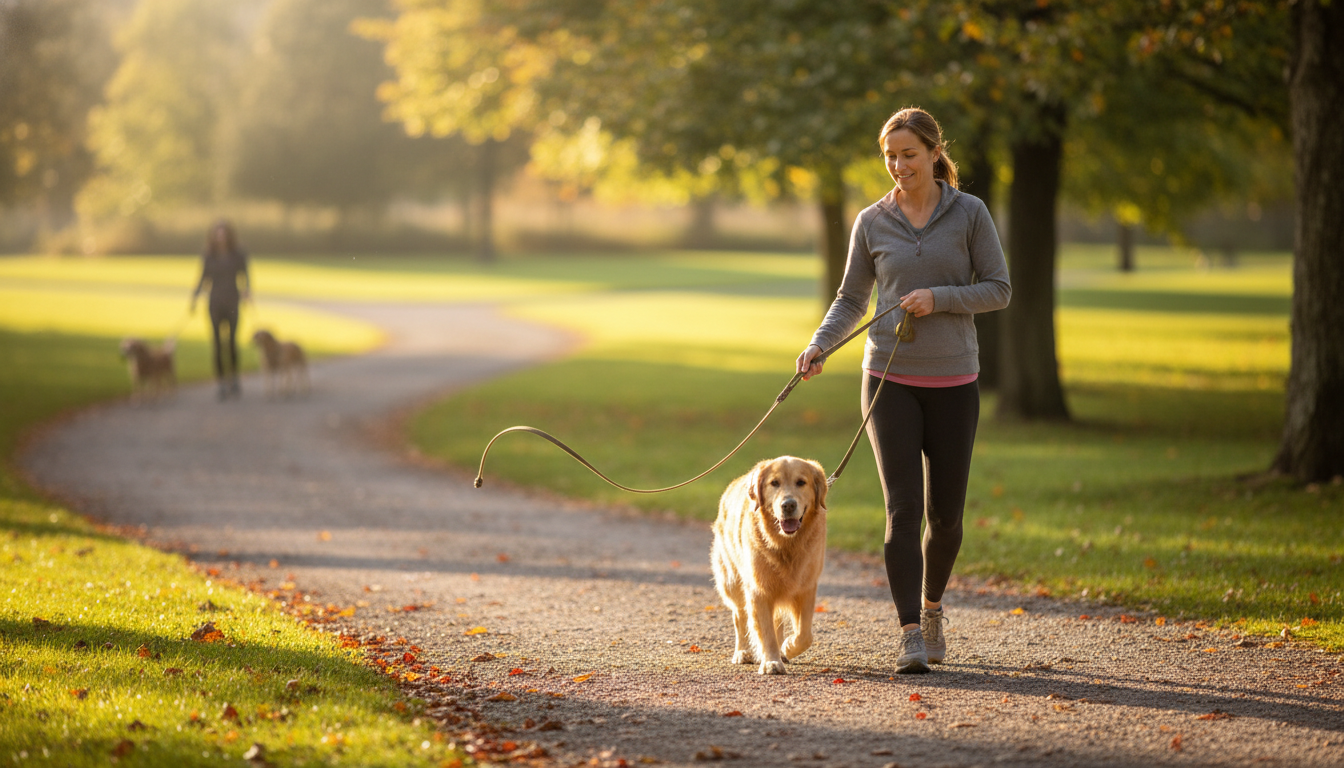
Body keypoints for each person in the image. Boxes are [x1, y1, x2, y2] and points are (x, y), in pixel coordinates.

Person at [795, 107, 1010, 674]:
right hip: (888, 380)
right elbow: (850, 299)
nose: (898, 165)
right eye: (889, 156)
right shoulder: (872, 220)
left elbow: (999, 289)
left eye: (908, 154)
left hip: (954, 381)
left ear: (935, 154)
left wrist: (939, 297)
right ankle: (910, 633)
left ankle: (933, 606)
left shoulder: (970, 214)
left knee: (946, 519)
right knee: (902, 511)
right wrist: (820, 345)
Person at [190, 220, 251, 400]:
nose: (221, 237)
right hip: (215, 302)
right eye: (218, 233)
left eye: (223, 233)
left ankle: (234, 378)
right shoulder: (209, 255)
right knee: (217, 343)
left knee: (232, 342)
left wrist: (247, 290)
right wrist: (194, 296)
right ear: (214, 236)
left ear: (229, 235)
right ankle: (221, 382)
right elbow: (203, 277)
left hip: (232, 301)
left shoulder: (238, 254)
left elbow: (245, 275)